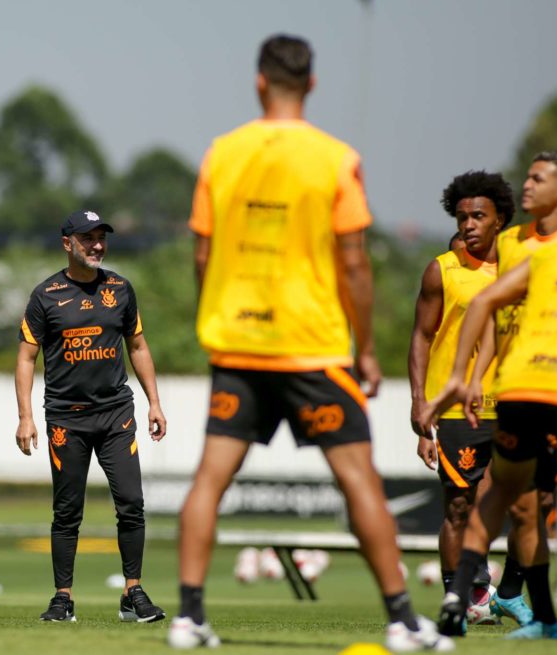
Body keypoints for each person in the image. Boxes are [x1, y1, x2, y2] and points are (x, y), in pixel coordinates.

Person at [169, 35, 452, 652]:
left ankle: (189, 617)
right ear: (313, 84)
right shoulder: (336, 158)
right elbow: (355, 263)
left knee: (209, 481)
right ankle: (403, 621)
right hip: (314, 349)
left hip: (237, 345)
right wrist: (368, 349)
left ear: (259, 81)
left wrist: (212, 311)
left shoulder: (222, 153)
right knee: (359, 481)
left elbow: (201, 250)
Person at [425, 151, 557, 640]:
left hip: (556, 392)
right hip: (518, 393)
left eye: (537, 178)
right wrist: (465, 380)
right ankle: (464, 597)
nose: (526, 185)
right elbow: (489, 312)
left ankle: (518, 597)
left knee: (542, 502)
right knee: (498, 503)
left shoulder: (536, 245)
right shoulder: (512, 246)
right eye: (525, 178)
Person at [15, 209, 167, 624]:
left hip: (116, 414)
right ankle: (62, 599)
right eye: (88, 238)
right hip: (66, 418)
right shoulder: (45, 295)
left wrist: (154, 401)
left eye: (102, 237)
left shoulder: (120, 288)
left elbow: (137, 346)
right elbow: (26, 358)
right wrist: (25, 416)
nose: (97, 245)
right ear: (68, 244)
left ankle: (132, 591)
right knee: (68, 511)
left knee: (131, 503)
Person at [408, 171, 534, 625]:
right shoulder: (442, 270)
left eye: (478, 215)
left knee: (524, 506)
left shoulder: (527, 265)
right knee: (459, 507)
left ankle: (510, 591)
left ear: (501, 218)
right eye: (461, 217)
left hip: (518, 400)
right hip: (458, 407)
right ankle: (459, 601)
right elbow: (421, 338)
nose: (468, 224)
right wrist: (419, 402)